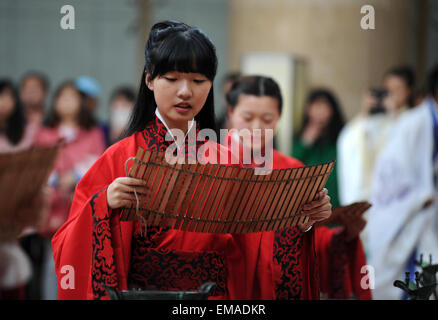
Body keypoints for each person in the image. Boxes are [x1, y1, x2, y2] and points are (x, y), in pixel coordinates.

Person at [51, 21, 332, 300]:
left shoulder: (227, 161)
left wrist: (300, 221)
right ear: (149, 80)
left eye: (198, 81)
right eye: (172, 79)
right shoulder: (119, 157)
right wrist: (103, 205)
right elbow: (66, 242)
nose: (185, 91)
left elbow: (256, 246)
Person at [226, 75, 370, 299]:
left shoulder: (293, 169)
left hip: (280, 285)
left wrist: (340, 235)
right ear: (230, 114)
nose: (256, 127)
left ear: (279, 117)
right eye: (247, 117)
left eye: (267, 119)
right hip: (228, 283)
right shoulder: (210, 164)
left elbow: (313, 236)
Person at [363, 65, 438, 299]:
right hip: (413, 212)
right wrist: (419, 197)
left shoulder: (420, 119)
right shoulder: (414, 122)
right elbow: (392, 174)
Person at [34, 81, 105, 299]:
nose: (67, 102)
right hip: (53, 207)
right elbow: (37, 166)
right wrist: (56, 179)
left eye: (72, 97)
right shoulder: (44, 134)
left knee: (82, 259)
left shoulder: (93, 134)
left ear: (81, 103)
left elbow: (98, 165)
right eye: (62, 97)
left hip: (81, 206)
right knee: (52, 261)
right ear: (54, 102)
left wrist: (74, 176)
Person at [337, 66, 416, 207]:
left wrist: (394, 117)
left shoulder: (414, 119)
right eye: (387, 89)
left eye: (397, 89)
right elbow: (349, 142)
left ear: (408, 92)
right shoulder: (373, 121)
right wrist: (365, 114)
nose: (390, 94)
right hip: (370, 201)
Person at [0, 80, 43, 299]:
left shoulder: (23, 133)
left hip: (14, 211)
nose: (4, 102)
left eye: (8, 96)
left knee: (18, 278)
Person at [292, 88, 345, 208]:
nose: (320, 111)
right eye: (316, 106)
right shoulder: (301, 137)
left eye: (324, 106)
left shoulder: (342, 137)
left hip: (335, 204)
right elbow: (290, 166)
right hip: (307, 206)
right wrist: (304, 143)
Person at [75, 76, 110, 147]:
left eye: (86, 98)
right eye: (79, 97)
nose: (82, 102)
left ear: (94, 102)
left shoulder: (102, 129)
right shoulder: (52, 126)